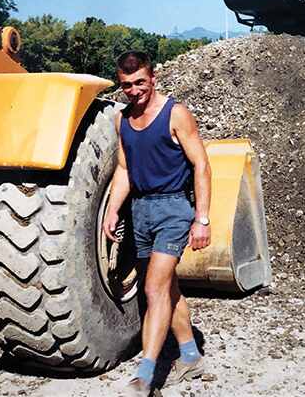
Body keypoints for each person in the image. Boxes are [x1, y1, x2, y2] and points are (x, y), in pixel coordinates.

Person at [103, 51, 212, 397]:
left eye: (139, 83)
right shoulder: (122, 120)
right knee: (167, 288)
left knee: (153, 289)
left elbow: (202, 166)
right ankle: (191, 355)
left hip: (173, 209)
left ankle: (145, 377)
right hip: (141, 212)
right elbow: (124, 169)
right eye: (126, 86)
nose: (134, 91)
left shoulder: (175, 114)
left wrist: (202, 219)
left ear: (153, 78)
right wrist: (112, 209)